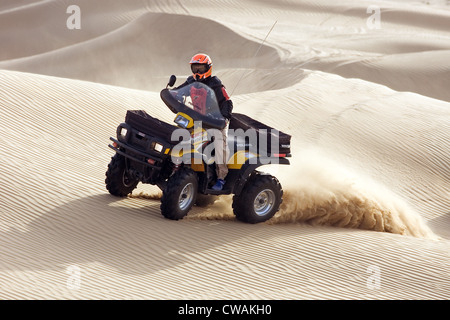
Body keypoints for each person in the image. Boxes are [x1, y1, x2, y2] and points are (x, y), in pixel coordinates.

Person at [175, 53, 233, 191]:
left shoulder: (216, 85)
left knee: (220, 146)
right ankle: (174, 167)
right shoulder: (191, 82)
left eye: (200, 69)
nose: (197, 72)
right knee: (178, 137)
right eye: (195, 69)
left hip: (215, 123)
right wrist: (173, 93)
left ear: (208, 68)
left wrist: (224, 118)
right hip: (196, 121)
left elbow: (228, 103)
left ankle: (221, 178)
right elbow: (179, 91)